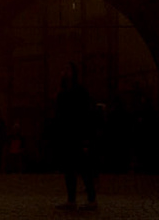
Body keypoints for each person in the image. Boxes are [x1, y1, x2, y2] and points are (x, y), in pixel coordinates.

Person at [53, 66, 99, 210]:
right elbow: (59, 115)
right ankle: (71, 199)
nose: (64, 72)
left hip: (78, 135)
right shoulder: (62, 93)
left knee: (84, 168)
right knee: (69, 169)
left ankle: (92, 199)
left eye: (67, 70)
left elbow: (85, 114)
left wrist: (86, 136)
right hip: (66, 135)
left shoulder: (80, 92)